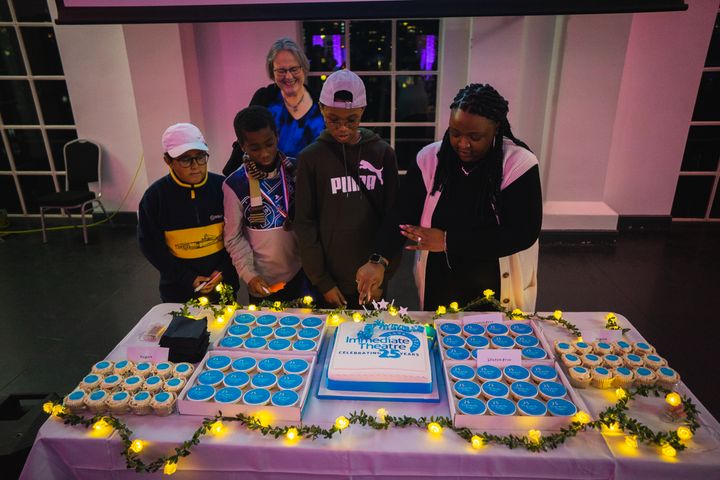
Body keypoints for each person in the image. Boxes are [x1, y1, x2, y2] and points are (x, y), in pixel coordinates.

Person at [356, 83, 542, 311]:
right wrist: (378, 260)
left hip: (496, 284)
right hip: (440, 280)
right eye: (455, 133)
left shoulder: (518, 163)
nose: (463, 144)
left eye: (475, 137)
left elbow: (522, 233)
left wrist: (447, 241)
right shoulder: (429, 158)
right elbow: (401, 214)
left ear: (496, 129)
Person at [294, 70, 398, 308]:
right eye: (333, 119)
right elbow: (305, 223)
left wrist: (385, 272)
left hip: (375, 278)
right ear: (321, 109)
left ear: (362, 110)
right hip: (330, 282)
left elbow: (393, 219)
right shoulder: (311, 158)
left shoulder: (382, 153)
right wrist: (322, 282)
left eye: (351, 119)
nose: (342, 128)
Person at [138, 123, 239, 303]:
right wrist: (186, 277)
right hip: (179, 291)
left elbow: (238, 236)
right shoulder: (155, 197)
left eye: (200, 157)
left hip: (223, 285)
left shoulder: (223, 188)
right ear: (167, 160)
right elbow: (151, 246)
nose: (195, 166)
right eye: (185, 159)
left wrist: (224, 270)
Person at [223, 105, 312, 303]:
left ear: (277, 136)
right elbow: (233, 237)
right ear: (242, 145)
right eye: (255, 148)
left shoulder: (297, 170)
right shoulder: (234, 185)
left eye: (269, 143)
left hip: (302, 274)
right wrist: (249, 275)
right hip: (261, 282)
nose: (264, 153)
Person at [222, 37, 325, 176]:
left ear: (304, 68)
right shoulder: (265, 98)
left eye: (294, 69)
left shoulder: (320, 101)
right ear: (272, 72)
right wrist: (230, 174)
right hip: (272, 184)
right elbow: (247, 136)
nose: (288, 76)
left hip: (314, 181)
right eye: (281, 71)